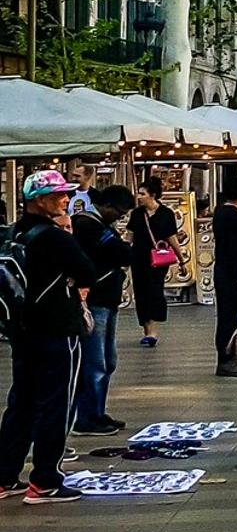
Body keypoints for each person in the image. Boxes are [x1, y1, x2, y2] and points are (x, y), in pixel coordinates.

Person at [0, 171, 95, 503]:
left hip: (22, 332)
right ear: (38, 200)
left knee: (21, 403)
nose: (65, 199)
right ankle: (45, 480)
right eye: (57, 196)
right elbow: (87, 271)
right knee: (56, 403)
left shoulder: (15, 233)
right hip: (57, 329)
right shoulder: (54, 237)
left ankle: (5, 475)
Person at [69, 184, 133, 437]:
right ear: (106, 206)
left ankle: (97, 411)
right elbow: (121, 253)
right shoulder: (88, 225)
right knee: (95, 361)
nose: (120, 217)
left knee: (107, 359)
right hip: (95, 301)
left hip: (107, 299)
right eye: (119, 211)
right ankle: (87, 417)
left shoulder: (100, 226)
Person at [129, 177, 183, 347]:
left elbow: (172, 238)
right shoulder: (137, 214)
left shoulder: (166, 214)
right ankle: (147, 329)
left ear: (152, 195)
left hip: (158, 260)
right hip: (138, 257)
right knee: (141, 291)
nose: (138, 196)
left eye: (142, 194)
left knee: (154, 290)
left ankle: (152, 329)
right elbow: (129, 236)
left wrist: (181, 259)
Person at [211, 175, 237, 377]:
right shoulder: (234, 215)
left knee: (225, 315)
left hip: (221, 270)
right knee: (231, 316)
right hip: (233, 272)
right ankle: (227, 358)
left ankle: (227, 357)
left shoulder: (219, 212)